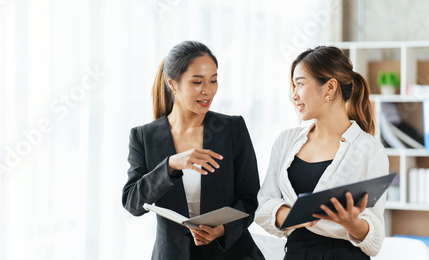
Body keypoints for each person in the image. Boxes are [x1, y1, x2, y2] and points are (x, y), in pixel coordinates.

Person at [122, 41, 264, 260]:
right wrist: (170, 165)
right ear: (172, 83)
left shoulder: (232, 129)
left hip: (232, 253)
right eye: (197, 82)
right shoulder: (144, 137)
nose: (207, 90)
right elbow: (133, 203)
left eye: (213, 81)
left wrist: (222, 230)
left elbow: (249, 199)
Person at [255, 46, 389, 259]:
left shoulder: (368, 149)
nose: (294, 95)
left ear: (330, 87)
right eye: (293, 85)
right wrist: (297, 216)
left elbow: (375, 242)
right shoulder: (286, 141)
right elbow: (262, 209)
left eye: (299, 84)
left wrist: (352, 224)